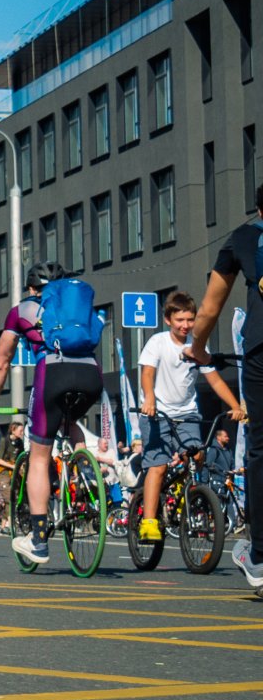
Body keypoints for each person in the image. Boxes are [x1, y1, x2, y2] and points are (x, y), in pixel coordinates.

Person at [0, 261, 106, 566]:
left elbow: (2, 361)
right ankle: (85, 475)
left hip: (52, 371)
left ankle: (39, 541)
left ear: (31, 288)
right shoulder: (76, 307)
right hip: (91, 374)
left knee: (40, 455)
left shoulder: (22, 311)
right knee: (70, 421)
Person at [188, 189, 263, 590]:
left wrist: (198, 349)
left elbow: (211, 307)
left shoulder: (244, 238)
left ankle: (260, 555)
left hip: (261, 348)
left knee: (259, 447)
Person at [137, 291, 243, 545]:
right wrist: (149, 399)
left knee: (197, 455)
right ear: (168, 320)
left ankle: (191, 497)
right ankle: (149, 520)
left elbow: (214, 380)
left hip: (186, 413)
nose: (185, 325)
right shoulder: (157, 343)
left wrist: (237, 406)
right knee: (158, 466)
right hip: (157, 413)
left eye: (190, 320)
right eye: (180, 320)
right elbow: (147, 373)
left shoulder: (198, 347)